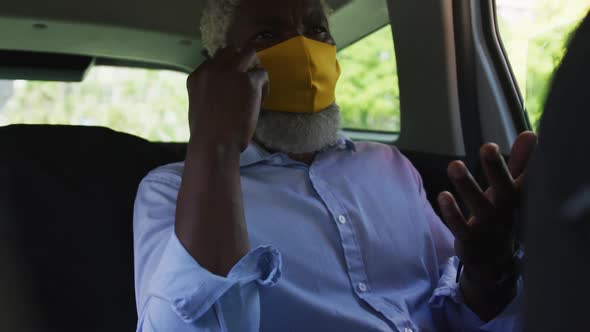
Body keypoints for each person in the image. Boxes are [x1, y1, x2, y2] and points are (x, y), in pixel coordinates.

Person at [133, 0, 537, 331]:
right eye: (268, 34)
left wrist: (488, 273)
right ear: (220, 67)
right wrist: (215, 143)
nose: (305, 49)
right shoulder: (171, 189)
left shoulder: (389, 166)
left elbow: (454, 318)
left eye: (318, 31)